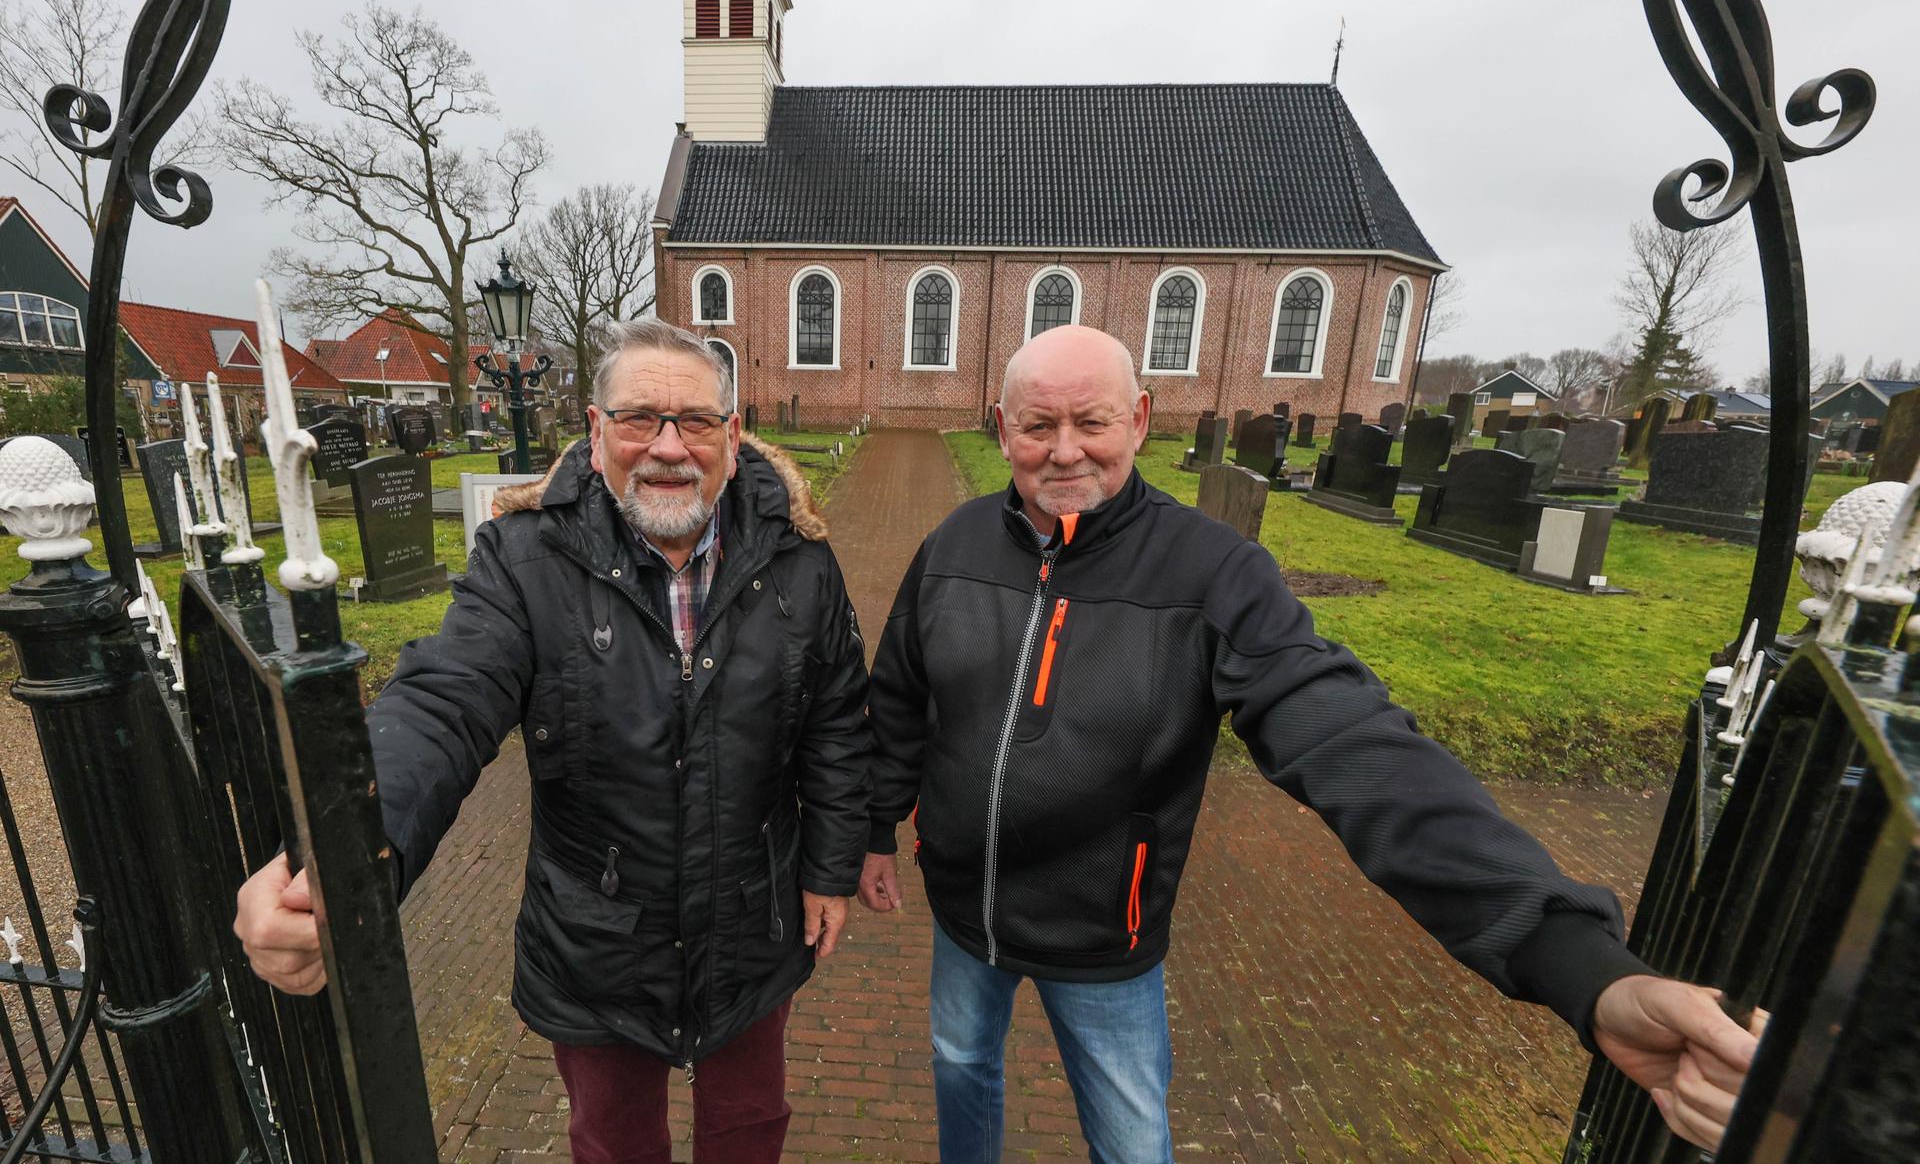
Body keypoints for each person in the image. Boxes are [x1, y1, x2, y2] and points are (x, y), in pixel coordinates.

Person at [857, 324, 1759, 1162]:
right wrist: (874, 830)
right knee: (961, 1065)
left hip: (1102, 936)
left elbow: (1345, 736)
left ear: (1138, 420)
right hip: (962, 912)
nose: (1064, 451)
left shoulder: (1211, 571)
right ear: (1001, 427)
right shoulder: (953, 546)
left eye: (1091, 423)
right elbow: (899, 698)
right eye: (1037, 426)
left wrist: (1576, 962)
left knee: (1130, 1138)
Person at [234, 319, 873, 1164]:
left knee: (750, 1122)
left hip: (754, 916)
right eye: (640, 418)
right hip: (598, 936)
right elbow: (445, 698)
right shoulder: (524, 558)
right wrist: (351, 850)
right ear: (596, 429)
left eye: (695, 421)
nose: (669, 447)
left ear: (732, 432)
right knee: (612, 1140)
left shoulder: (800, 560)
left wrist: (830, 868)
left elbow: (836, 721)